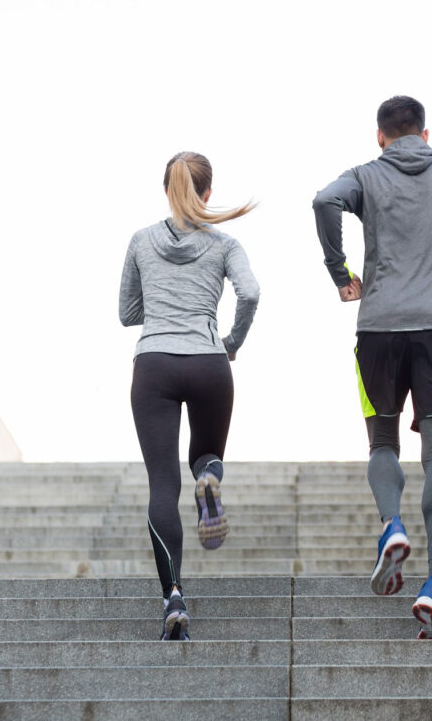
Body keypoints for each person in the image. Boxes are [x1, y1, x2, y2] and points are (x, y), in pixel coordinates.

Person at [312, 96, 432, 639]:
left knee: (382, 443)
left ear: (380, 136)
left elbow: (324, 201)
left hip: (378, 328)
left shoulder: (365, 176)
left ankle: (391, 525)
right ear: (425, 131)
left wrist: (339, 271)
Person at [119, 151, 260, 641]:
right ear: (208, 193)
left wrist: (162, 306)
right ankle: (210, 477)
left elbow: (126, 312)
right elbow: (251, 293)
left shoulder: (141, 241)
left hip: (154, 363)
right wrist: (232, 342)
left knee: (162, 486)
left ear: (166, 190)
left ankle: (174, 596)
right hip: (209, 361)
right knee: (205, 454)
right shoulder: (225, 244)